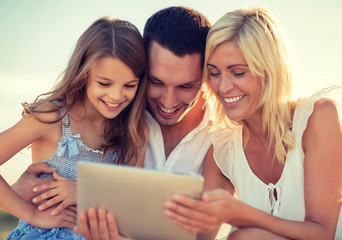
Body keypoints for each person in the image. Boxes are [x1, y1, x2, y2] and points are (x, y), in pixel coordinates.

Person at [163, 7, 342, 239]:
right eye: (214, 73)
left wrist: (241, 215)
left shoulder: (317, 118)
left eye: (237, 72)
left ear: (270, 71)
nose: (223, 87)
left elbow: (322, 232)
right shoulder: (225, 145)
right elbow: (199, 236)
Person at [2, 17, 148, 239]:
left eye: (129, 85)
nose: (117, 96)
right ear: (83, 73)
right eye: (104, 83)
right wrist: (33, 214)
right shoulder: (51, 118)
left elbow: (129, 198)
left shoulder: (133, 129)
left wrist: (85, 192)